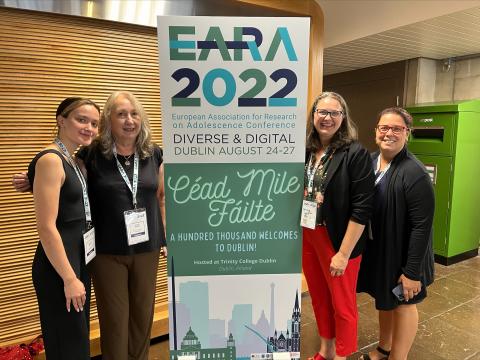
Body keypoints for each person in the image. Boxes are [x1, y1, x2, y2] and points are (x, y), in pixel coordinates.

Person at [14, 91, 167, 360]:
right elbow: (63, 177)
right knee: (115, 321)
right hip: (106, 251)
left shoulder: (154, 154)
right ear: (109, 120)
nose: (129, 120)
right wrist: (31, 178)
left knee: (143, 317)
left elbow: (161, 199)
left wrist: (166, 237)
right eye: (121, 114)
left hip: (148, 247)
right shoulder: (91, 154)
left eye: (134, 114)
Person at [302, 92, 375, 360]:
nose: (327, 118)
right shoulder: (307, 150)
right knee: (320, 299)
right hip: (308, 235)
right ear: (313, 116)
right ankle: (326, 350)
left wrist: (343, 253)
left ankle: (342, 355)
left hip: (339, 239)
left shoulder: (355, 154)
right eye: (322, 112)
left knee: (342, 304)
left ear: (343, 118)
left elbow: (363, 208)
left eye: (334, 113)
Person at [357, 107, 435, 360]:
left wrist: (412, 273)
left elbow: (422, 226)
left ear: (407, 133)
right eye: (384, 128)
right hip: (383, 250)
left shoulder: (415, 173)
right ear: (376, 131)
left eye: (397, 129)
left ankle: (397, 357)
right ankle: (384, 347)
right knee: (386, 300)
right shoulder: (370, 162)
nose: (389, 133)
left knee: (404, 304)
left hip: (406, 255)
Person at [28, 97, 100, 359]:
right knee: (66, 345)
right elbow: (46, 227)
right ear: (61, 120)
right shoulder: (51, 160)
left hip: (76, 259)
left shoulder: (73, 160)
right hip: (59, 266)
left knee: (77, 342)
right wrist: (69, 278)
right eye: (82, 120)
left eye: (94, 123)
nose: (89, 128)